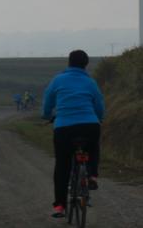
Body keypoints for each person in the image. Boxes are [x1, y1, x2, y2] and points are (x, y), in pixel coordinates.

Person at [42, 50, 105, 219]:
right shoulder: (90, 82)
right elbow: (99, 104)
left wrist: (47, 115)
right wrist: (99, 118)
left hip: (64, 128)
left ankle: (60, 206)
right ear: (86, 64)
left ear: (69, 62)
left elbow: (48, 101)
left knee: (62, 165)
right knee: (93, 148)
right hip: (90, 125)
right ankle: (92, 175)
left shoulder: (58, 80)